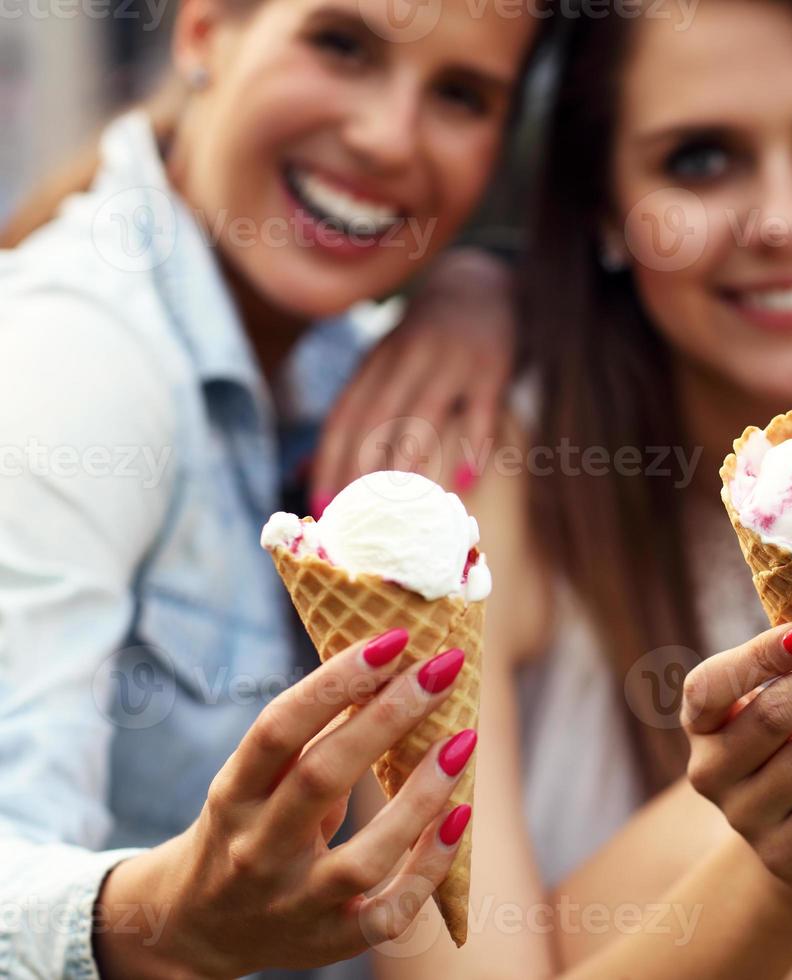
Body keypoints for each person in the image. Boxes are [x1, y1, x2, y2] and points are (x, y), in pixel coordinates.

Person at [345, 0, 792, 974]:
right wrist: (787, 885)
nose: (781, 219)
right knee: (768, 826)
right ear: (605, 205)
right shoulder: (483, 478)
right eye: (698, 159)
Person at [0, 0, 541, 971]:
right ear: (205, 29)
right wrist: (165, 917)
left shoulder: (350, 352)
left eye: (462, 94)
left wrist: (483, 287)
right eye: (341, 43)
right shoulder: (73, 354)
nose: (387, 136)